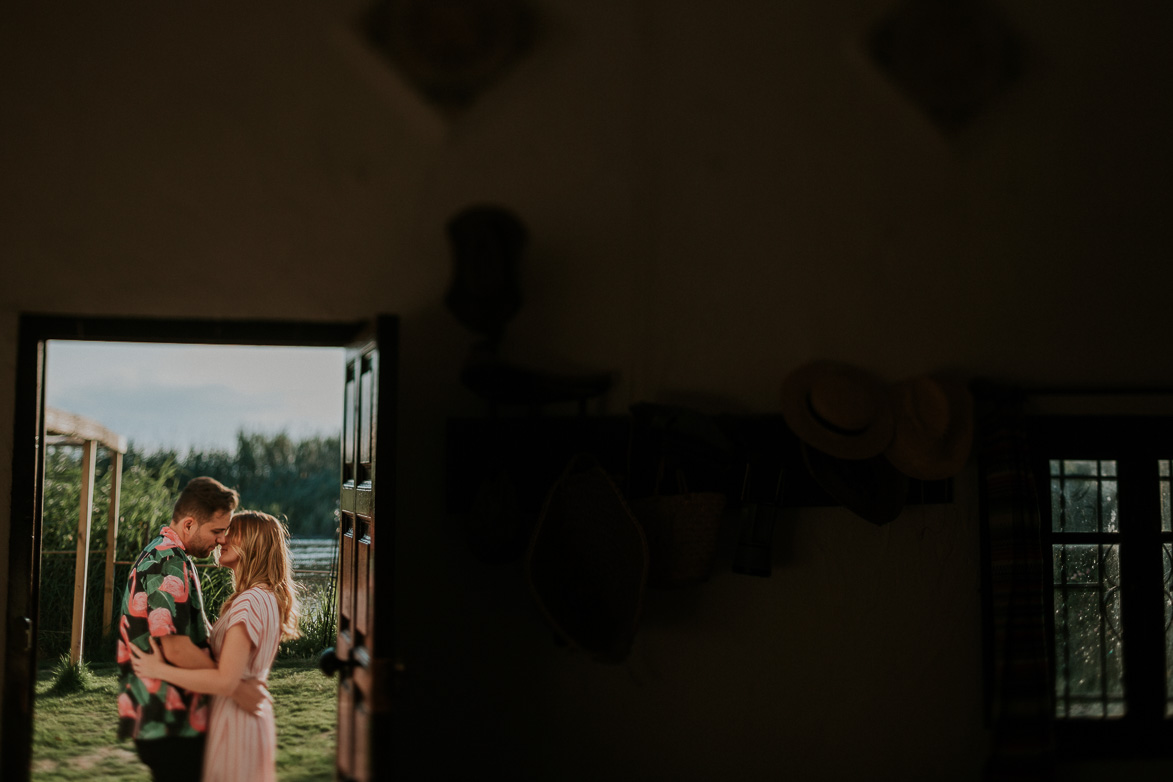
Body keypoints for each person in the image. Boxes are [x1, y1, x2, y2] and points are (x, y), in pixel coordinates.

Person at [131, 509, 301, 782]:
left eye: (232, 534)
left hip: (237, 721)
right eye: (221, 533)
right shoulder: (262, 596)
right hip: (244, 715)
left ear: (254, 544)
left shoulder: (250, 602)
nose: (222, 540)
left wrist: (158, 669)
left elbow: (224, 681)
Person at [116, 476, 267, 782]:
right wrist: (235, 687)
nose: (222, 540)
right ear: (188, 525)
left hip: (168, 722)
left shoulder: (165, 554)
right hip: (171, 724)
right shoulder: (168, 561)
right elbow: (175, 647)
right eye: (216, 531)